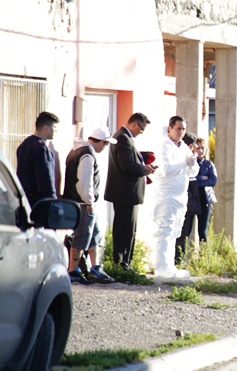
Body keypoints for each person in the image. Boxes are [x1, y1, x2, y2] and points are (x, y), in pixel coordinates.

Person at [63, 127, 117, 285]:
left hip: (81, 202)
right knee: (82, 237)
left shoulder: (78, 150)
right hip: (83, 204)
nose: (105, 147)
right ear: (101, 141)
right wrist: (89, 202)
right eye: (105, 144)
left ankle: (95, 268)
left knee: (94, 235)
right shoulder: (87, 154)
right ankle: (73, 271)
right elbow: (84, 182)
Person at [104, 112, 156, 270]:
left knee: (128, 229)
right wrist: (145, 169)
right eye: (142, 128)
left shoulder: (124, 137)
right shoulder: (123, 138)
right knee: (125, 231)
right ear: (135, 124)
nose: (142, 132)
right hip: (125, 193)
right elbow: (126, 165)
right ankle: (122, 264)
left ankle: (125, 263)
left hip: (126, 193)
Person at [153, 116, 199, 278]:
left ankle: (169, 266)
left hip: (181, 195)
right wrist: (184, 164)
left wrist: (192, 163)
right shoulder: (164, 146)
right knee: (165, 230)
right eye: (178, 128)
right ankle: (161, 267)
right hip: (167, 194)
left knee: (175, 231)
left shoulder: (184, 148)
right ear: (170, 129)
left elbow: (194, 173)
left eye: (183, 129)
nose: (181, 132)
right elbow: (166, 170)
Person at [175, 135, 217, 265]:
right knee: (186, 230)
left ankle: (204, 260)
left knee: (202, 231)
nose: (200, 150)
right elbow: (189, 179)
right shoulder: (190, 162)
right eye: (197, 148)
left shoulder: (209, 164)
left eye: (202, 148)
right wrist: (201, 179)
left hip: (205, 200)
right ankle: (180, 259)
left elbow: (213, 180)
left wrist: (198, 180)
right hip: (191, 199)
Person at [16, 111, 60, 207]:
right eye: (55, 128)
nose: (56, 131)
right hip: (38, 203)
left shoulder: (24, 145)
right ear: (46, 128)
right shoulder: (42, 148)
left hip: (24, 200)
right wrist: (52, 202)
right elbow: (45, 180)